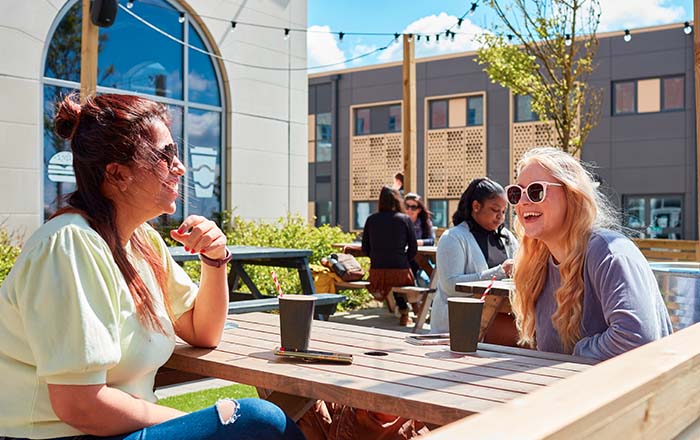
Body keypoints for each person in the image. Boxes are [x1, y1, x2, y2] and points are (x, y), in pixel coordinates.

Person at [0, 94, 305, 440]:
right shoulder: (70, 245)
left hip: (117, 431)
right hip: (62, 436)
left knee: (257, 424)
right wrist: (184, 418)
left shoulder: (141, 241)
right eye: (166, 155)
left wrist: (214, 259)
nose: (180, 167)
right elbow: (78, 405)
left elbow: (202, 330)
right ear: (118, 174)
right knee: (257, 421)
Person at [508, 147, 672, 360]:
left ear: (571, 194)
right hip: (571, 388)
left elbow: (635, 337)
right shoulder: (537, 265)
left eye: (535, 191)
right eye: (516, 193)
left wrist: (577, 355)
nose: (522, 202)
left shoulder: (609, 252)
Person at [431, 178, 518, 335]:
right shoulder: (453, 237)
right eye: (495, 210)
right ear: (476, 206)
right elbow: (450, 286)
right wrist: (500, 272)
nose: (501, 217)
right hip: (457, 330)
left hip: (499, 326)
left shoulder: (506, 237)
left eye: (503, 211)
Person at [362, 186, 417, 326]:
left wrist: (378, 258)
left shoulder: (371, 220)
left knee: (389, 277)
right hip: (400, 272)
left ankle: (402, 310)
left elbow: (365, 249)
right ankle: (408, 313)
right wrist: (403, 259)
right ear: (398, 200)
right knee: (402, 278)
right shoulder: (405, 219)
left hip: (377, 274)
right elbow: (413, 249)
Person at [403, 192, 435, 289]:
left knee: (423, 280)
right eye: (406, 206)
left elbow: (431, 241)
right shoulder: (399, 221)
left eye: (413, 207)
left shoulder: (425, 223)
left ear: (419, 210)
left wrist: (417, 242)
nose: (409, 210)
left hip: (421, 261)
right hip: (404, 261)